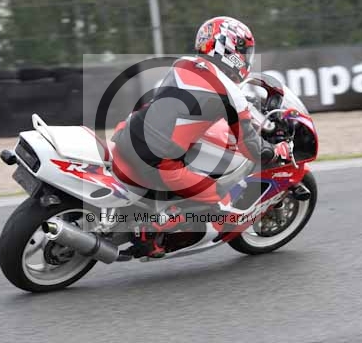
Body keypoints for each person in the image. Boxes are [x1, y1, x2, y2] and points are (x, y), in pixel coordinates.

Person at [111, 16, 291, 257]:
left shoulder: (183, 63)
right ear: (229, 49)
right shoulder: (230, 93)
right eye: (244, 51)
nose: (246, 58)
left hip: (128, 133)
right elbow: (249, 145)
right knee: (217, 201)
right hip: (157, 159)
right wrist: (275, 151)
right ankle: (151, 230)